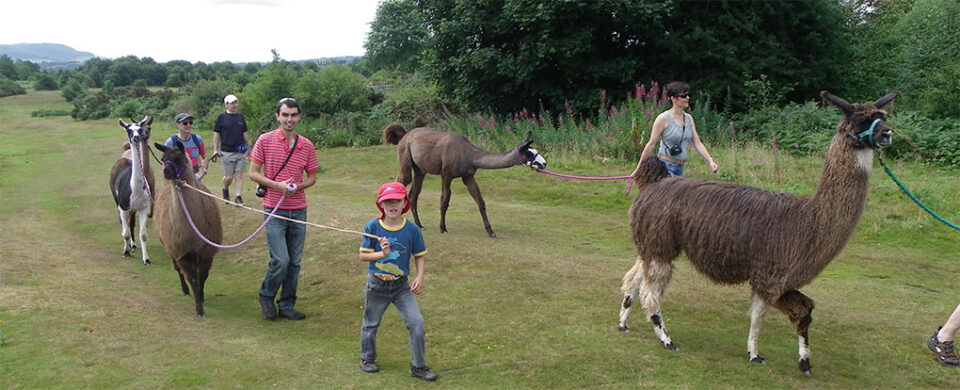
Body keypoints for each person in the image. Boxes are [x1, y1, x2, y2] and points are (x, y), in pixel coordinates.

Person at [358, 182, 436, 382]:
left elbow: (419, 255)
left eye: (397, 200)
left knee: (416, 322)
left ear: (404, 203)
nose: (393, 205)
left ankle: (418, 367)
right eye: (388, 201)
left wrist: (419, 276)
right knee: (371, 323)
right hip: (377, 286)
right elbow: (363, 256)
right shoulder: (372, 226)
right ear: (381, 205)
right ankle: (367, 359)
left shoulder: (412, 230)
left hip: (402, 287)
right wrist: (382, 253)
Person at [248, 98, 318, 321]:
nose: (290, 119)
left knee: (295, 262)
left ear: (299, 117)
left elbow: (312, 177)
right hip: (273, 208)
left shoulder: (306, 145)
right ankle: (266, 295)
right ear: (277, 116)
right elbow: (253, 173)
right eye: (285, 115)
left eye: (294, 115)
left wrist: (298, 186)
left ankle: (287, 304)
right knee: (280, 259)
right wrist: (276, 185)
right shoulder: (265, 140)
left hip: (298, 209)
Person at [631, 81, 718, 178]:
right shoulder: (663, 119)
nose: (687, 98)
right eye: (683, 96)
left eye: (687, 95)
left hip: (680, 167)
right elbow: (651, 144)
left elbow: (697, 143)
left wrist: (710, 160)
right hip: (666, 166)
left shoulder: (689, 119)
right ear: (673, 99)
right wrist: (639, 168)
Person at [212, 94, 250, 205]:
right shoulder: (221, 118)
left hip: (240, 149)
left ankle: (238, 196)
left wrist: (249, 148)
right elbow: (216, 134)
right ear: (226, 105)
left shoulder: (240, 117)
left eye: (235, 103)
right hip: (226, 151)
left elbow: (245, 134)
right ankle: (225, 188)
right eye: (232, 103)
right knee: (229, 177)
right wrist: (215, 149)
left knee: (239, 175)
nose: (234, 105)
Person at [166, 113, 209, 181]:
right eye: (185, 123)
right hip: (178, 178)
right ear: (177, 125)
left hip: (195, 176)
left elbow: (204, 157)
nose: (188, 125)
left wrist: (203, 172)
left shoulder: (197, 139)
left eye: (190, 122)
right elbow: (165, 163)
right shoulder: (171, 142)